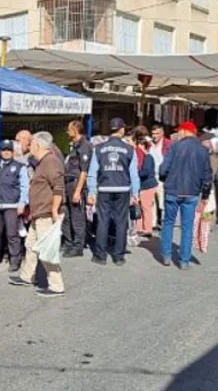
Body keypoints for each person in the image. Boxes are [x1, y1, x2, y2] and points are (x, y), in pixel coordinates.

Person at [9, 132, 66, 297]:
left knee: (47, 251)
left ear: (38, 145)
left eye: (32, 143)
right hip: (38, 213)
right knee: (31, 245)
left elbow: (58, 187)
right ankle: (27, 276)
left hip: (47, 213)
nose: (29, 146)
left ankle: (56, 285)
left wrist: (54, 210)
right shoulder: (42, 162)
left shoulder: (50, 162)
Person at [159, 121, 213, 270]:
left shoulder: (174, 147)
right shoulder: (203, 150)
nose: (177, 134)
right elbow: (208, 176)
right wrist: (205, 196)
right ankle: (184, 261)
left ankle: (166, 256)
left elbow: (163, 169)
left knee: (168, 223)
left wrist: (165, 179)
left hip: (172, 190)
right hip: (191, 192)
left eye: (178, 132)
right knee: (187, 226)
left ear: (184, 131)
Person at [87, 118, 140, 266]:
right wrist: (135, 193)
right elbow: (133, 174)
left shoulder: (98, 148)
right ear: (122, 129)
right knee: (121, 222)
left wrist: (92, 191)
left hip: (104, 188)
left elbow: (92, 172)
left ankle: (100, 255)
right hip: (123, 189)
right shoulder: (130, 149)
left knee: (102, 222)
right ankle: (119, 256)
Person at [0, 140, 29, 272]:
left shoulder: (20, 166)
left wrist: (22, 203)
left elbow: (25, 186)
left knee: (12, 235)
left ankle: (15, 260)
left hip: (12, 205)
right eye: (4, 150)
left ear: (13, 152)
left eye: (9, 150)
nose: (6, 152)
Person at [61, 120, 93, 257]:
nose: (67, 132)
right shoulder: (73, 146)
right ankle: (69, 242)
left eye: (69, 129)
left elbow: (84, 171)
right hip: (67, 182)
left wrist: (78, 191)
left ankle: (78, 246)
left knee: (77, 216)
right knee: (67, 215)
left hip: (75, 183)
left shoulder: (84, 146)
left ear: (75, 130)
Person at [131, 127, 159, 237]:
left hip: (147, 185)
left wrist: (135, 174)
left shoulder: (148, 157)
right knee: (141, 207)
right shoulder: (145, 156)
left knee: (146, 208)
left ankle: (147, 229)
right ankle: (140, 228)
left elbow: (145, 172)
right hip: (145, 185)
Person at [150, 124, 173, 227]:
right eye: (153, 133)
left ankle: (164, 221)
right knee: (151, 201)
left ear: (162, 133)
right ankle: (153, 223)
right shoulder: (149, 144)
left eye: (157, 133)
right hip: (150, 176)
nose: (154, 136)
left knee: (162, 200)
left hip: (162, 177)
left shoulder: (168, 144)